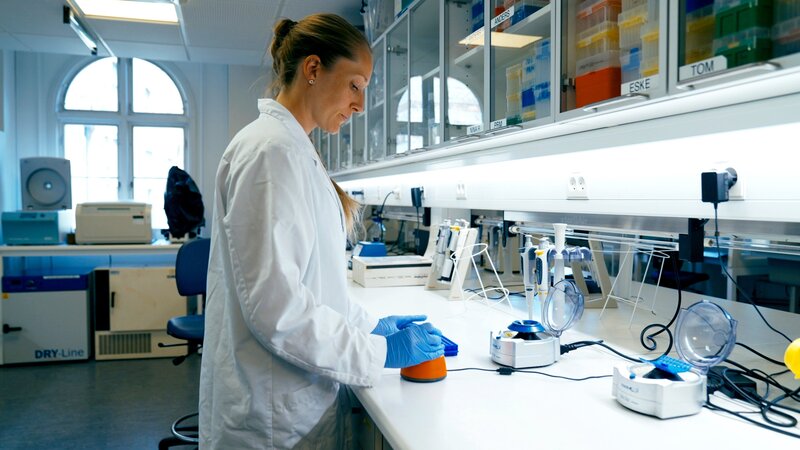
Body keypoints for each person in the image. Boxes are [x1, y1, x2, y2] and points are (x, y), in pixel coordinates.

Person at [199, 13, 445, 449]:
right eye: (355, 85)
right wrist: (380, 353)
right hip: (272, 416)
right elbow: (278, 310)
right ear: (313, 69)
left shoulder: (293, 150)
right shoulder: (271, 153)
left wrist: (372, 326)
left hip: (289, 402)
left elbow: (317, 286)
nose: (360, 105)